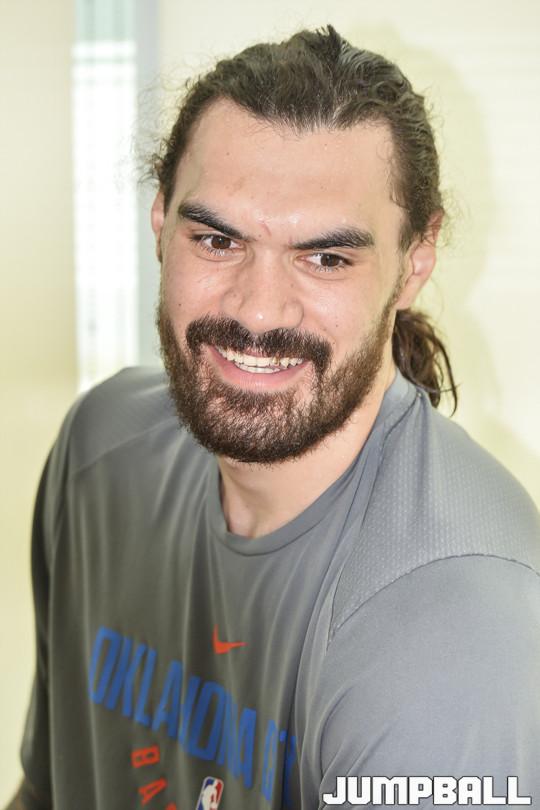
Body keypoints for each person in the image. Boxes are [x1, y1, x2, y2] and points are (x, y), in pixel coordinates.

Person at [7, 24, 540, 810]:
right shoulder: (101, 452)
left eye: (326, 258)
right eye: (218, 240)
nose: (258, 311)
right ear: (160, 224)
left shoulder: (454, 627)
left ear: (413, 265)